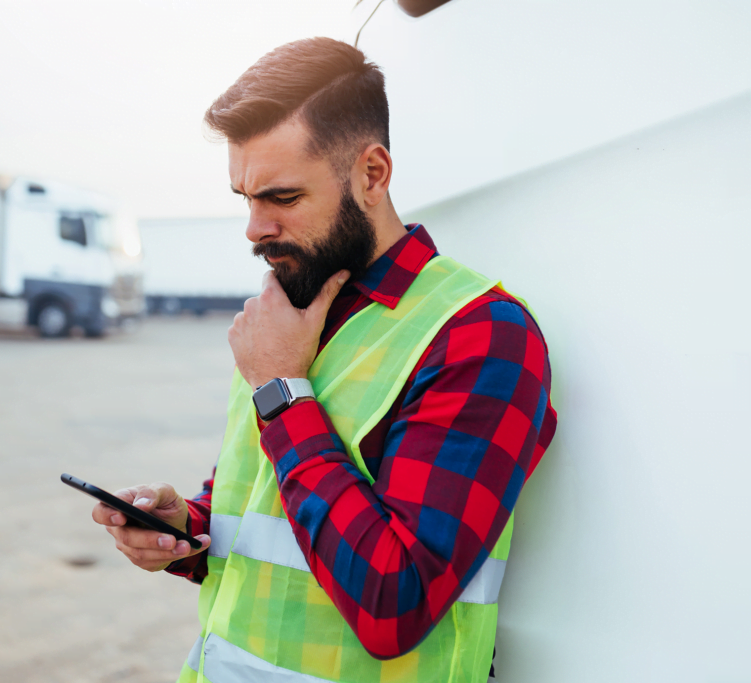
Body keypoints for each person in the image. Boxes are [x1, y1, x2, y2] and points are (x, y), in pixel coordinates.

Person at [92, 37, 557, 683]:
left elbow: (394, 602)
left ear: (372, 175)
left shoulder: (478, 334)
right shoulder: (285, 318)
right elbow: (265, 514)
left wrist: (282, 390)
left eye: (282, 198)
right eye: (246, 197)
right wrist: (184, 530)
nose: (254, 228)